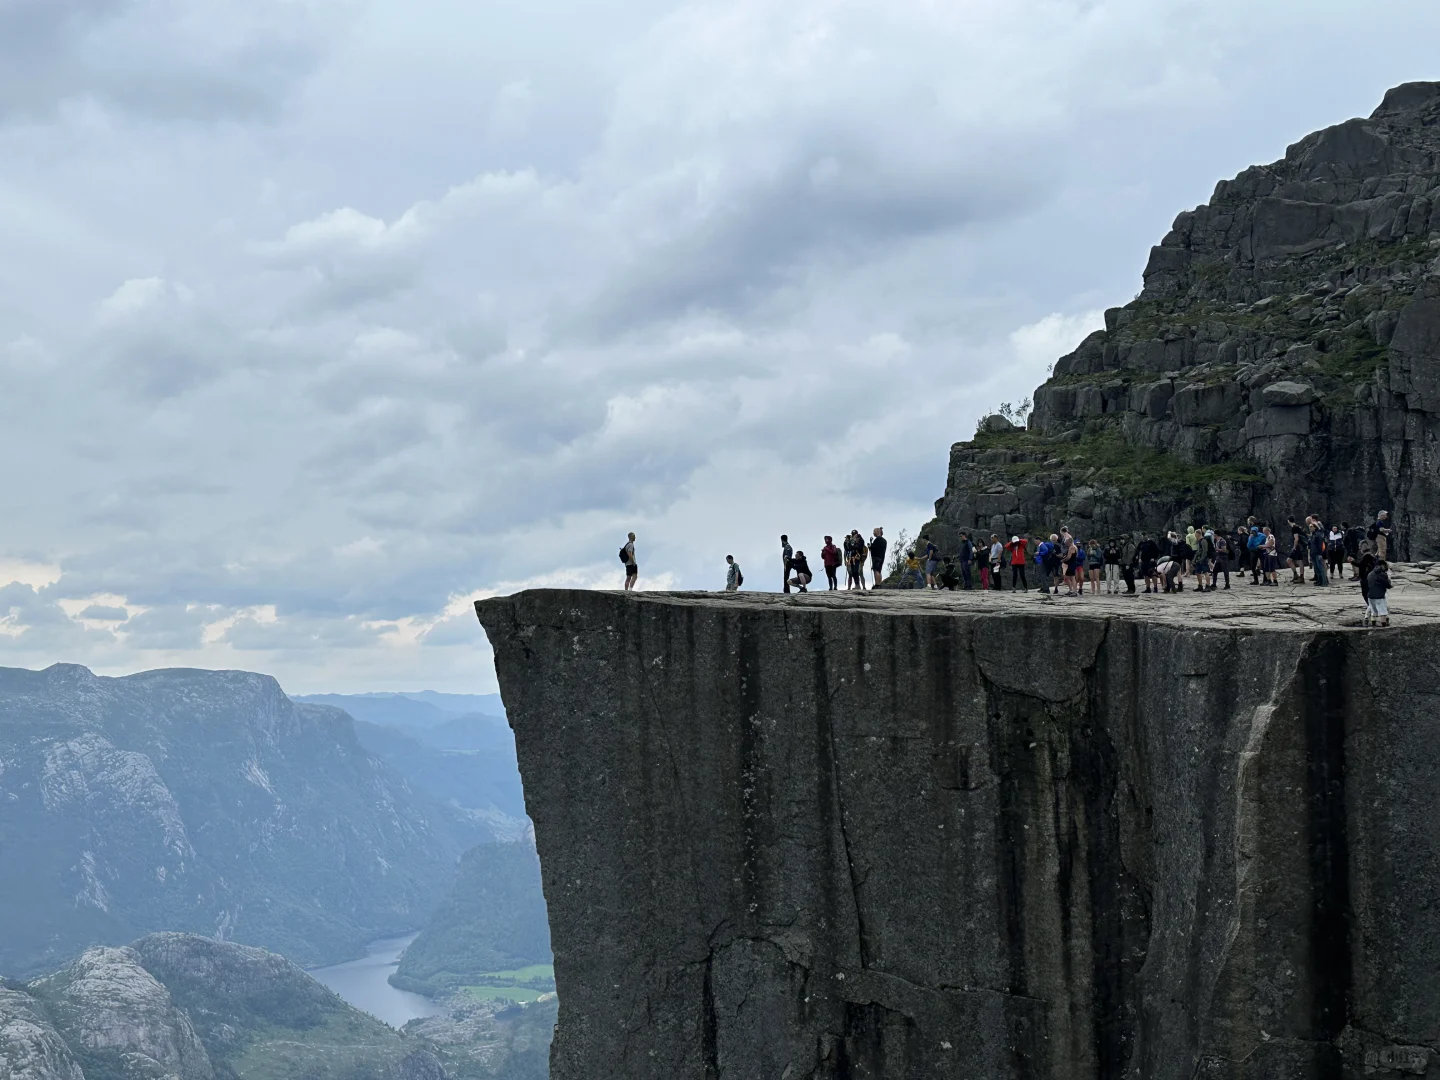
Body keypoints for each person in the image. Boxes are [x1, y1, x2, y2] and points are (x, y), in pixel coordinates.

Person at [1366, 559, 1391, 628]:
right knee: (1383, 611)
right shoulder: (1383, 574)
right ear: (1382, 565)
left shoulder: (1370, 573)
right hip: (1379, 596)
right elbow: (1387, 585)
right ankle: (1384, 626)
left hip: (1370, 595)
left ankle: (1373, 625)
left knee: (1373, 610)